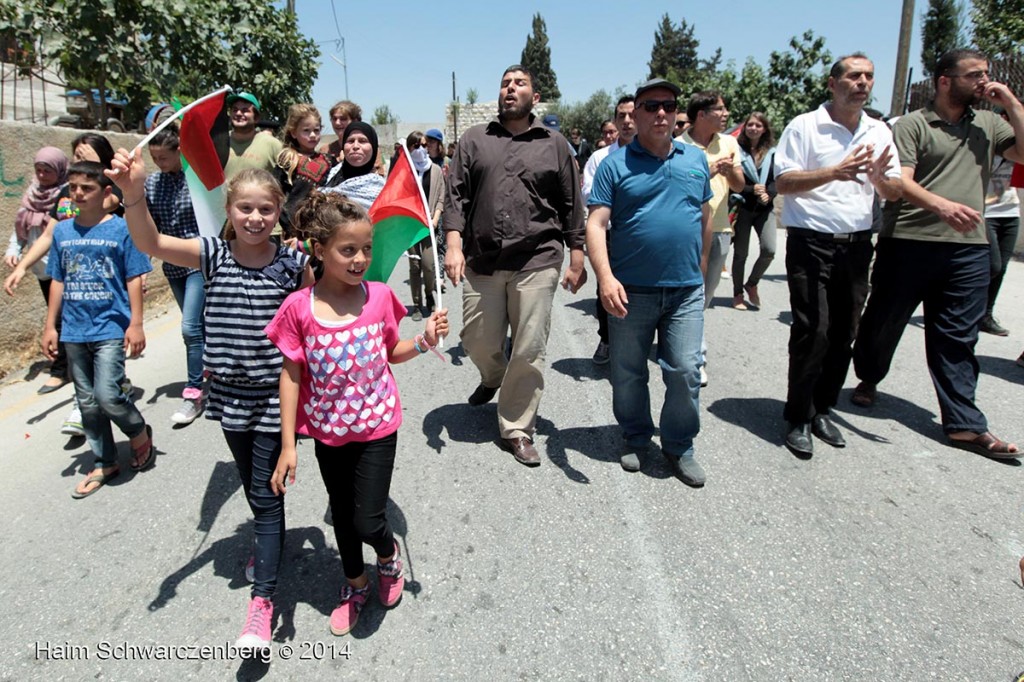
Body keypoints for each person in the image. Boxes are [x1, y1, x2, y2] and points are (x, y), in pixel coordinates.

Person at [108, 150, 314, 650]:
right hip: (228, 399)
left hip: (275, 398)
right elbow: (149, 241)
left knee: (265, 499)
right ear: (229, 211)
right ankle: (270, 547)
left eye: (266, 209)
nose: (255, 218)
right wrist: (133, 193)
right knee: (252, 484)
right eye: (245, 208)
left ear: (279, 210)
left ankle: (261, 605)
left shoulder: (293, 265)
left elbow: (318, 318)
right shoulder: (211, 254)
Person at [266, 191, 449, 636]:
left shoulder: (380, 297)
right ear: (319, 250)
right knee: (343, 518)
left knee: (368, 518)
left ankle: (387, 559)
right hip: (328, 434)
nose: (360, 259)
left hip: (377, 427)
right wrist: (288, 444)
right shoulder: (298, 308)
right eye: (348, 250)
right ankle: (355, 584)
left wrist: (424, 340)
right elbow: (290, 377)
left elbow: (393, 352)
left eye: (366, 248)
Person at [851, 48, 1024, 459]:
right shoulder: (913, 125)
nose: (984, 81)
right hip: (909, 239)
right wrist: (942, 206)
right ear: (945, 80)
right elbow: (900, 180)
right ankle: (869, 376)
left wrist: (1014, 104)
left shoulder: (989, 123)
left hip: (968, 248)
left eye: (986, 74)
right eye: (974, 75)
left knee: (957, 337)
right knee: (883, 322)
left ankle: (965, 424)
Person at [443, 64, 587, 467]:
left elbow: (572, 204)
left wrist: (577, 257)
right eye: (505, 83)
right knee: (476, 338)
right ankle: (492, 377)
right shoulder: (474, 140)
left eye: (519, 83)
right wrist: (452, 246)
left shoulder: (555, 144)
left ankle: (517, 427)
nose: (510, 88)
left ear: (533, 97)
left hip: (537, 258)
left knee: (528, 347)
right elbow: (456, 198)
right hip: (482, 259)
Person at [774, 52, 902, 457]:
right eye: (853, 76)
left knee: (845, 332)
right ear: (833, 83)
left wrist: (883, 181)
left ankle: (823, 408)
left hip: (858, 244)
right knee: (815, 330)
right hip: (811, 242)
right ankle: (798, 416)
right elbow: (784, 181)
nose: (863, 82)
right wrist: (835, 172)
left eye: (869, 76)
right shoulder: (805, 127)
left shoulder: (879, 131)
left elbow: (894, 190)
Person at [586, 78, 712, 483]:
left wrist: (703, 269)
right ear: (635, 114)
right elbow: (596, 223)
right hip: (631, 291)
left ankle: (679, 445)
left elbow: (705, 219)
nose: (661, 112)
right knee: (627, 371)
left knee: (685, 368)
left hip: (685, 291)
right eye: (651, 105)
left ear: (677, 114)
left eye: (669, 105)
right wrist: (604, 278)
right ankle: (637, 436)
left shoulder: (695, 161)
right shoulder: (614, 165)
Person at [42, 161, 154, 498]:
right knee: (87, 402)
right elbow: (57, 280)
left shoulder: (121, 229)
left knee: (108, 395)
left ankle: (137, 431)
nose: (77, 194)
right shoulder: (62, 232)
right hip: (74, 331)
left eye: (86, 188)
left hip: (110, 326)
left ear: (107, 192)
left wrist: (136, 323)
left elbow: (135, 275)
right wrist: (50, 326)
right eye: (73, 187)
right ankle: (105, 460)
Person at [5, 133, 126, 437]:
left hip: (108, 287)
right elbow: (50, 234)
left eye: (87, 158)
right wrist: (22, 264)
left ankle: (111, 398)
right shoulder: (67, 195)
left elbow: (111, 205)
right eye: (76, 158)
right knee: (81, 349)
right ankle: (86, 404)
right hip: (74, 286)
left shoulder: (114, 192)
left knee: (106, 347)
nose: (79, 166)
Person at [679, 91, 744, 387]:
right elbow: (675, 186)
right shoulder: (679, 145)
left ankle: (686, 342)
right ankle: (695, 356)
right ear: (701, 114)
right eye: (719, 109)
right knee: (688, 294)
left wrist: (730, 172)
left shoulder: (729, 143)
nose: (726, 113)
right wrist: (709, 170)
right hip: (686, 230)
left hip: (719, 230)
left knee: (704, 295)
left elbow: (741, 185)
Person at [144, 126, 207, 425]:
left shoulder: (196, 180)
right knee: (198, 328)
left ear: (179, 152)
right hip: (172, 267)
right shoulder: (152, 184)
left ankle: (194, 391)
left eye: (164, 157)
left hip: (198, 261)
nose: (159, 163)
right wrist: (143, 267)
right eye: (154, 158)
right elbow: (150, 227)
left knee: (189, 328)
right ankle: (213, 369)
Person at [5, 146, 69, 394]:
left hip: (63, 268)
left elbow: (57, 231)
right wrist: (15, 252)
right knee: (58, 318)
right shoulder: (31, 195)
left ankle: (61, 370)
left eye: (48, 171)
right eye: (38, 170)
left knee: (61, 320)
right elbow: (20, 228)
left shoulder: (67, 196)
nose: (42, 175)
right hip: (41, 269)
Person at [582, 95, 636, 365]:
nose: (627, 121)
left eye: (632, 115)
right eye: (621, 116)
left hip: (642, 238)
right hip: (611, 234)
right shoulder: (600, 158)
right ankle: (607, 338)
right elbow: (589, 196)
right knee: (608, 287)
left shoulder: (658, 154)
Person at [730, 112, 778, 310]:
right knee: (740, 253)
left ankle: (752, 283)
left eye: (758, 125)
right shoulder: (737, 150)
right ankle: (738, 293)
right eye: (750, 125)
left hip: (765, 208)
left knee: (769, 250)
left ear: (764, 129)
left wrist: (770, 193)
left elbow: (778, 177)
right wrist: (751, 189)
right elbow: (732, 180)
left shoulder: (773, 152)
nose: (753, 128)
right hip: (744, 206)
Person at [273, 103, 338, 238]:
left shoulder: (329, 161)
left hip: (324, 230)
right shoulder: (287, 160)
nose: (313, 135)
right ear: (294, 133)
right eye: (306, 131)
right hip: (293, 232)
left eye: (316, 130)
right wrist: (289, 229)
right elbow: (276, 196)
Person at [404, 131, 445, 321]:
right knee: (414, 265)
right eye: (416, 145)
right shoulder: (405, 171)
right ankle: (417, 304)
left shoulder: (434, 170)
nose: (421, 149)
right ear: (410, 147)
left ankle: (429, 293)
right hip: (411, 225)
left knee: (429, 265)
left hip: (429, 225)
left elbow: (440, 198)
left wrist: (435, 219)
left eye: (423, 145)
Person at [979, 143, 1018, 336]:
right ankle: (960, 307)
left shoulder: (1019, 145)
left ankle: (985, 315)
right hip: (985, 212)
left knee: (1001, 267)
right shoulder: (986, 143)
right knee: (991, 266)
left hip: (1011, 210)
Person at [324, 122, 385, 209]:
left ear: (374, 147)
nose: (355, 146)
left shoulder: (381, 191)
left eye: (362, 141)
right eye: (350, 141)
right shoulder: (326, 175)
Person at [224, 91, 283, 178]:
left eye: (245, 110)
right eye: (235, 110)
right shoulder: (220, 141)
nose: (238, 113)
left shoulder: (272, 144)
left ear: (256, 117)